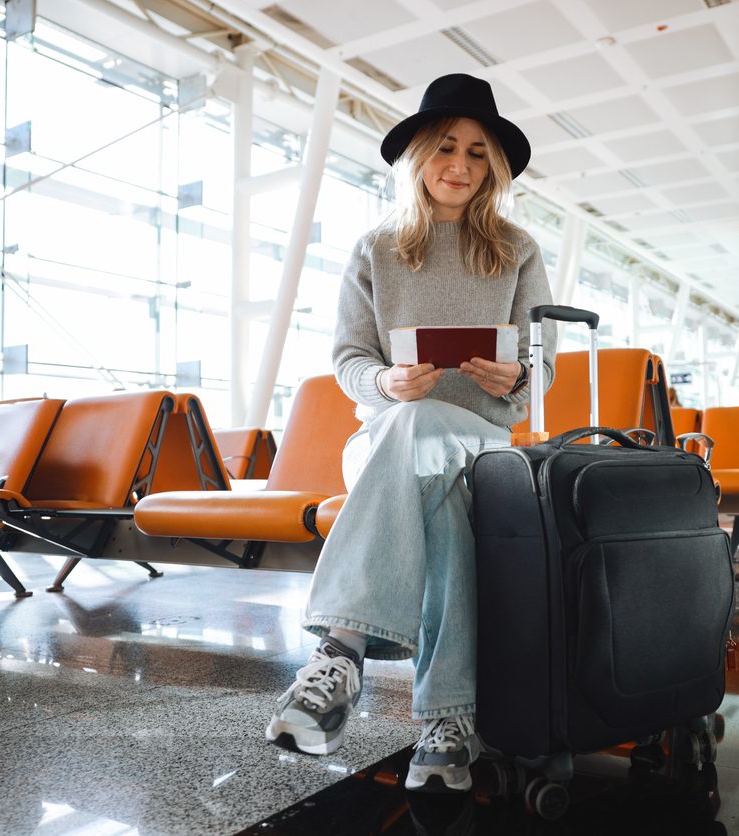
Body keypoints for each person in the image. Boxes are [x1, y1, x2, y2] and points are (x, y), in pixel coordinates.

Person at [265, 73, 557, 794]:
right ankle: (447, 723)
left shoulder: (518, 250)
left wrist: (514, 380)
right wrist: (385, 385)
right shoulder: (375, 249)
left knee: (434, 451)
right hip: (387, 442)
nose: (460, 165)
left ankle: (340, 652)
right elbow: (349, 360)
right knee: (431, 473)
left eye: (478, 154)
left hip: (481, 445)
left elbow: (540, 367)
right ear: (419, 156)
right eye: (446, 147)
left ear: (493, 168)